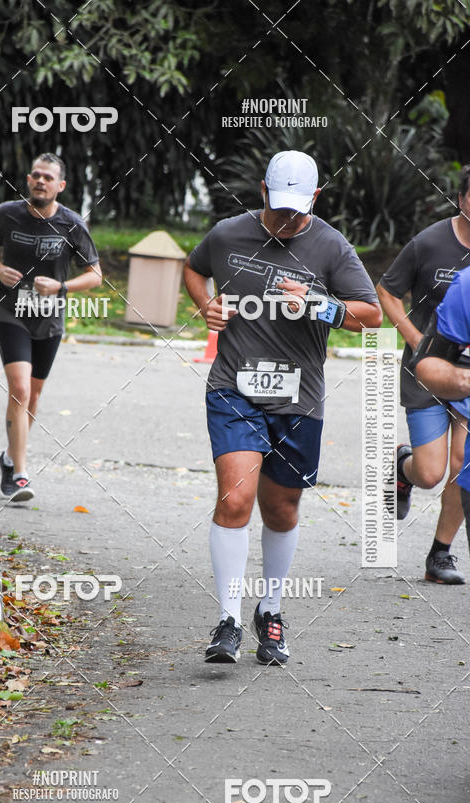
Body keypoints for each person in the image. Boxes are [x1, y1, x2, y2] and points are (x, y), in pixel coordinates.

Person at [183, 149, 381, 665]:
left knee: (282, 508)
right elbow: (193, 268)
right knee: (234, 500)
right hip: (234, 389)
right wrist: (204, 303)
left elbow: (371, 315)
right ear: (263, 192)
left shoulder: (332, 247)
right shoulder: (229, 234)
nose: (287, 219)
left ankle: (269, 612)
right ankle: (227, 619)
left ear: (314, 198)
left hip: (300, 400)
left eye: (298, 209)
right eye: (278, 207)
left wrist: (319, 303)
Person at [0, 152, 102, 502]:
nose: (40, 181)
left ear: (60, 186)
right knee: (18, 389)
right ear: (29, 180)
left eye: (48, 177)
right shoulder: (8, 214)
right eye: (36, 175)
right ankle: (19, 474)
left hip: (48, 317)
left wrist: (62, 287)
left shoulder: (71, 224)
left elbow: (96, 275)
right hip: (11, 311)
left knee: (32, 396)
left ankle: (7, 457)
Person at [377, 165, 470, 584]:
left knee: (462, 462)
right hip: (427, 368)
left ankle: (441, 554)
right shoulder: (430, 242)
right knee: (432, 472)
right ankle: (403, 467)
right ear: (462, 198)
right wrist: (415, 338)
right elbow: (387, 291)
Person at [414, 267, 470, 541]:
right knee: (430, 473)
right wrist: (463, 379)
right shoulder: (467, 285)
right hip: (443, 390)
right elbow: (427, 363)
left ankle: (440, 550)